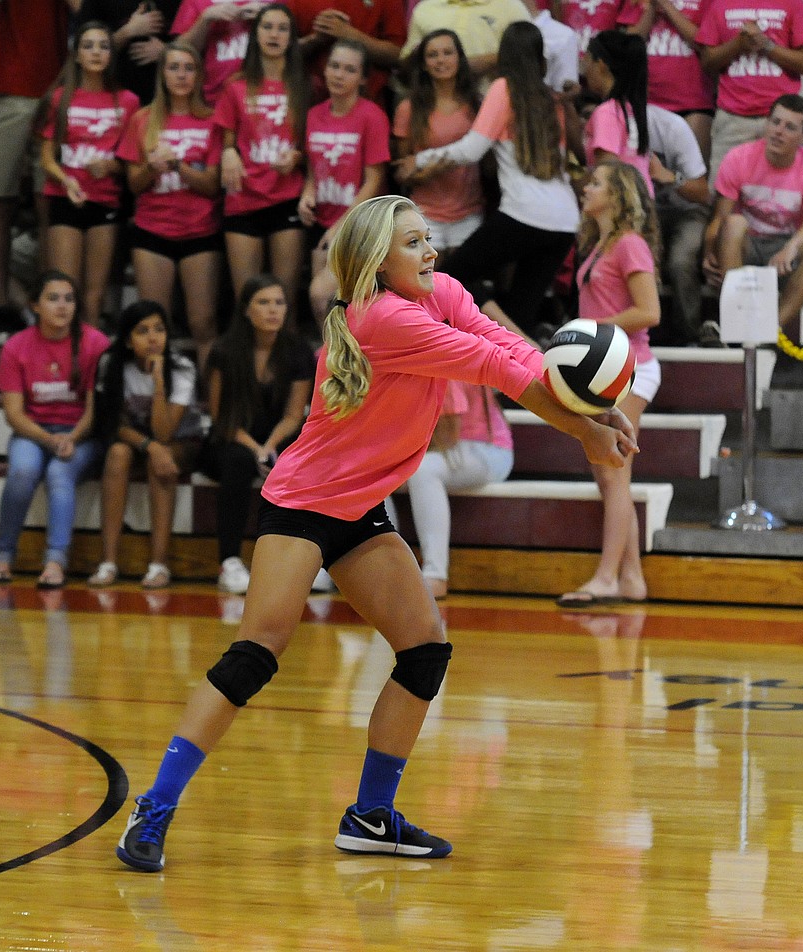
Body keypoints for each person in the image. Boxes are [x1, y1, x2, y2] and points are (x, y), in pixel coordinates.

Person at [114, 193, 637, 873]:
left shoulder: (440, 292)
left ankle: (371, 815)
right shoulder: (381, 317)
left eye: (428, 238)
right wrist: (584, 430)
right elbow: (493, 370)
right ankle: (153, 808)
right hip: (303, 505)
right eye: (414, 243)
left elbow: (507, 345)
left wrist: (589, 406)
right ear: (376, 260)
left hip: (360, 510)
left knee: (424, 651)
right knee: (257, 653)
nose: (431, 252)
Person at [395, 21, 581, 338]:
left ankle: (511, 344)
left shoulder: (503, 88)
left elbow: (472, 149)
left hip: (524, 214)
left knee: (450, 279)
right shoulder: (551, 98)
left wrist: (420, 159)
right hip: (564, 222)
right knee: (522, 309)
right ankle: (519, 362)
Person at [557, 161, 661, 608]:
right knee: (608, 475)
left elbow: (649, 312)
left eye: (596, 183)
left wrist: (590, 328)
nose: (586, 187)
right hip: (605, 370)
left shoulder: (630, 244)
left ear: (617, 195)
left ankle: (604, 578)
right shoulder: (600, 245)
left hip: (630, 368)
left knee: (614, 474)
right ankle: (632, 578)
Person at [0, 270, 109, 589]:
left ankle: (55, 561)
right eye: (53, 298)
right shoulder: (17, 346)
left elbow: (98, 409)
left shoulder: (95, 343)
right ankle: (3, 556)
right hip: (33, 431)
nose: (62, 306)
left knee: (59, 474)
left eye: (69, 299)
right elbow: (13, 413)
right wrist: (48, 438)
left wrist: (71, 438)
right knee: (22, 471)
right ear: (35, 306)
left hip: (81, 434)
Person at [204, 275, 316, 594]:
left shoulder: (297, 351)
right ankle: (230, 561)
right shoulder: (224, 351)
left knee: (299, 460)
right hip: (232, 438)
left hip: (278, 436)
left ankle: (302, 562)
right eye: (263, 303)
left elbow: (295, 415)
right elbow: (220, 418)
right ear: (246, 310)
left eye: (279, 303)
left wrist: (269, 446)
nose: (273, 310)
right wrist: (255, 448)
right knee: (237, 462)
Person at [117, 39, 223, 374]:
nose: (181, 75)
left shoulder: (211, 121)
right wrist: (152, 168)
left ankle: (212, 408)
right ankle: (156, 409)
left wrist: (179, 166)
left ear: (199, 75)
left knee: (203, 324)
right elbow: (132, 185)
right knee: (153, 327)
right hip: (152, 231)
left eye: (189, 68)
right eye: (173, 67)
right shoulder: (142, 120)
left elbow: (213, 186)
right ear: (162, 74)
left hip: (200, 231)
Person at [0, 0, 80, 336]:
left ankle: (51, 300)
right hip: (6, 88)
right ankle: (2, 303)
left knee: (47, 202)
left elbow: (83, 7)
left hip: (57, 88)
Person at [87, 300, 204, 590]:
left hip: (183, 441)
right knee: (116, 453)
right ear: (127, 340)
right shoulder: (111, 366)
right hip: (140, 441)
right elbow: (113, 424)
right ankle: (108, 561)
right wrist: (150, 445)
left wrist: (159, 382)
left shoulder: (182, 368)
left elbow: (165, 434)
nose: (153, 337)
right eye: (143, 331)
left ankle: (159, 564)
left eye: (159, 329)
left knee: (160, 461)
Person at [38, 21, 140, 328]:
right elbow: (46, 156)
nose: (96, 53)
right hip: (65, 197)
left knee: (94, 298)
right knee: (64, 293)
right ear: (77, 55)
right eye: (88, 46)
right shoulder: (60, 98)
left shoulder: (129, 101)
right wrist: (65, 179)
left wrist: (111, 166)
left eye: (104, 46)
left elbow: (132, 162)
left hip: (106, 202)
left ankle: (89, 368)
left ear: (112, 55)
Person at [702, 94, 803, 335]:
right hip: (746, 246)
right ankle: (736, 325)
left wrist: (793, 245)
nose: (778, 131)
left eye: (790, 127)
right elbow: (720, 218)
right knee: (734, 223)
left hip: (787, 253)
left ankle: (771, 328)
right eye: (775, 122)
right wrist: (709, 250)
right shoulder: (739, 158)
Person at [213, 3, 309, 310]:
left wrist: (297, 157)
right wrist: (228, 152)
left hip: (286, 198)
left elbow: (315, 147)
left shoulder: (305, 87)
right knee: (248, 303)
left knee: (285, 303)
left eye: (283, 28)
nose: (274, 35)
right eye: (267, 27)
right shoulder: (235, 87)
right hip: (243, 198)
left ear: (292, 38)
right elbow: (226, 142)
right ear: (255, 34)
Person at [298, 39, 390, 327]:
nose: (338, 74)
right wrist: (307, 191)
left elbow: (375, 180)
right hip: (322, 220)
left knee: (321, 295)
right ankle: (334, 361)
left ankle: (341, 361)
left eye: (349, 70)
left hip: (360, 225)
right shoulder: (314, 114)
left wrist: (341, 226)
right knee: (328, 306)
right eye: (334, 66)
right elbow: (314, 167)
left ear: (362, 79)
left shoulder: (372, 116)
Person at [401, 382, 513, 599]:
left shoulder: (445, 354)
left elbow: (448, 436)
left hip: (488, 448)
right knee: (371, 471)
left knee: (424, 470)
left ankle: (435, 575)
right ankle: (383, 571)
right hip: (438, 449)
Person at [695, 0, 803, 186]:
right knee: (721, 191)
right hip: (733, 119)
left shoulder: (793, 4)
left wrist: (766, 45)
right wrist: (738, 44)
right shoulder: (720, 4)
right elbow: (707, 62)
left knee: (780, 192)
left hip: (780, 119)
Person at [392, 29, 484, 262]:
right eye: (433, 55)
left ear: (459, 58)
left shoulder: (477, 104)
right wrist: (426, 174)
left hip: (470, 212)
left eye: (447, 53)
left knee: (465, 290)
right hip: (425, 213)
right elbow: (401, 172)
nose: (441, 60)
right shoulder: (408, 108)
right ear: (423, 64)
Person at [646, 103, 712, 345]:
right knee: (633, 256)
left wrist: (669, 176)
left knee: (680, 261)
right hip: (644, 211)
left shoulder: (671, 127)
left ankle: (689, 336)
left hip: (687, 210)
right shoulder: (613, 121)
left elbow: (703, 193)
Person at [620, 0, 715, 164]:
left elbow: (703, 43)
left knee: (691, 174)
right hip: (646, 102)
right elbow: (630, 45)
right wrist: (650, 9)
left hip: (693, 104)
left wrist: (667, 6)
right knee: (641, 171)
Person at [288, 0, 406, 107]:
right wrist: (315, 39)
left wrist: (351, 35)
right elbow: (278, 52)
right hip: (306, 106)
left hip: (368, 107)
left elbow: (399, 56)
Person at [581, 30, 653, 196]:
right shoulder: (631, 109)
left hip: (621, 209)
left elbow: (607, 174)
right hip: (643, 205)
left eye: (587, 60)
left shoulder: (606, 113)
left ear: (600, 65)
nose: (584, 69)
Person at [401, 0, 529, 85]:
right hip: (435, 106)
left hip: (495, 106)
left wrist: (490, 60)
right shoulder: (425, 8)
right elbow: (406, 66)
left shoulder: (511, 7)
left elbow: (531, 59)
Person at [77, 0, 180, 105]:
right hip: (113, 91)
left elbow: (191, 48)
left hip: (165, 94)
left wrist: (166, 50)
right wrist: (128, 31)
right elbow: (82, 48)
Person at [171, 0, 263, 106]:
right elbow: (179, 52)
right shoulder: (195, 2)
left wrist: (268, 16)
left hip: (264, 94)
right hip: (214, 98)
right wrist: (205, 18)